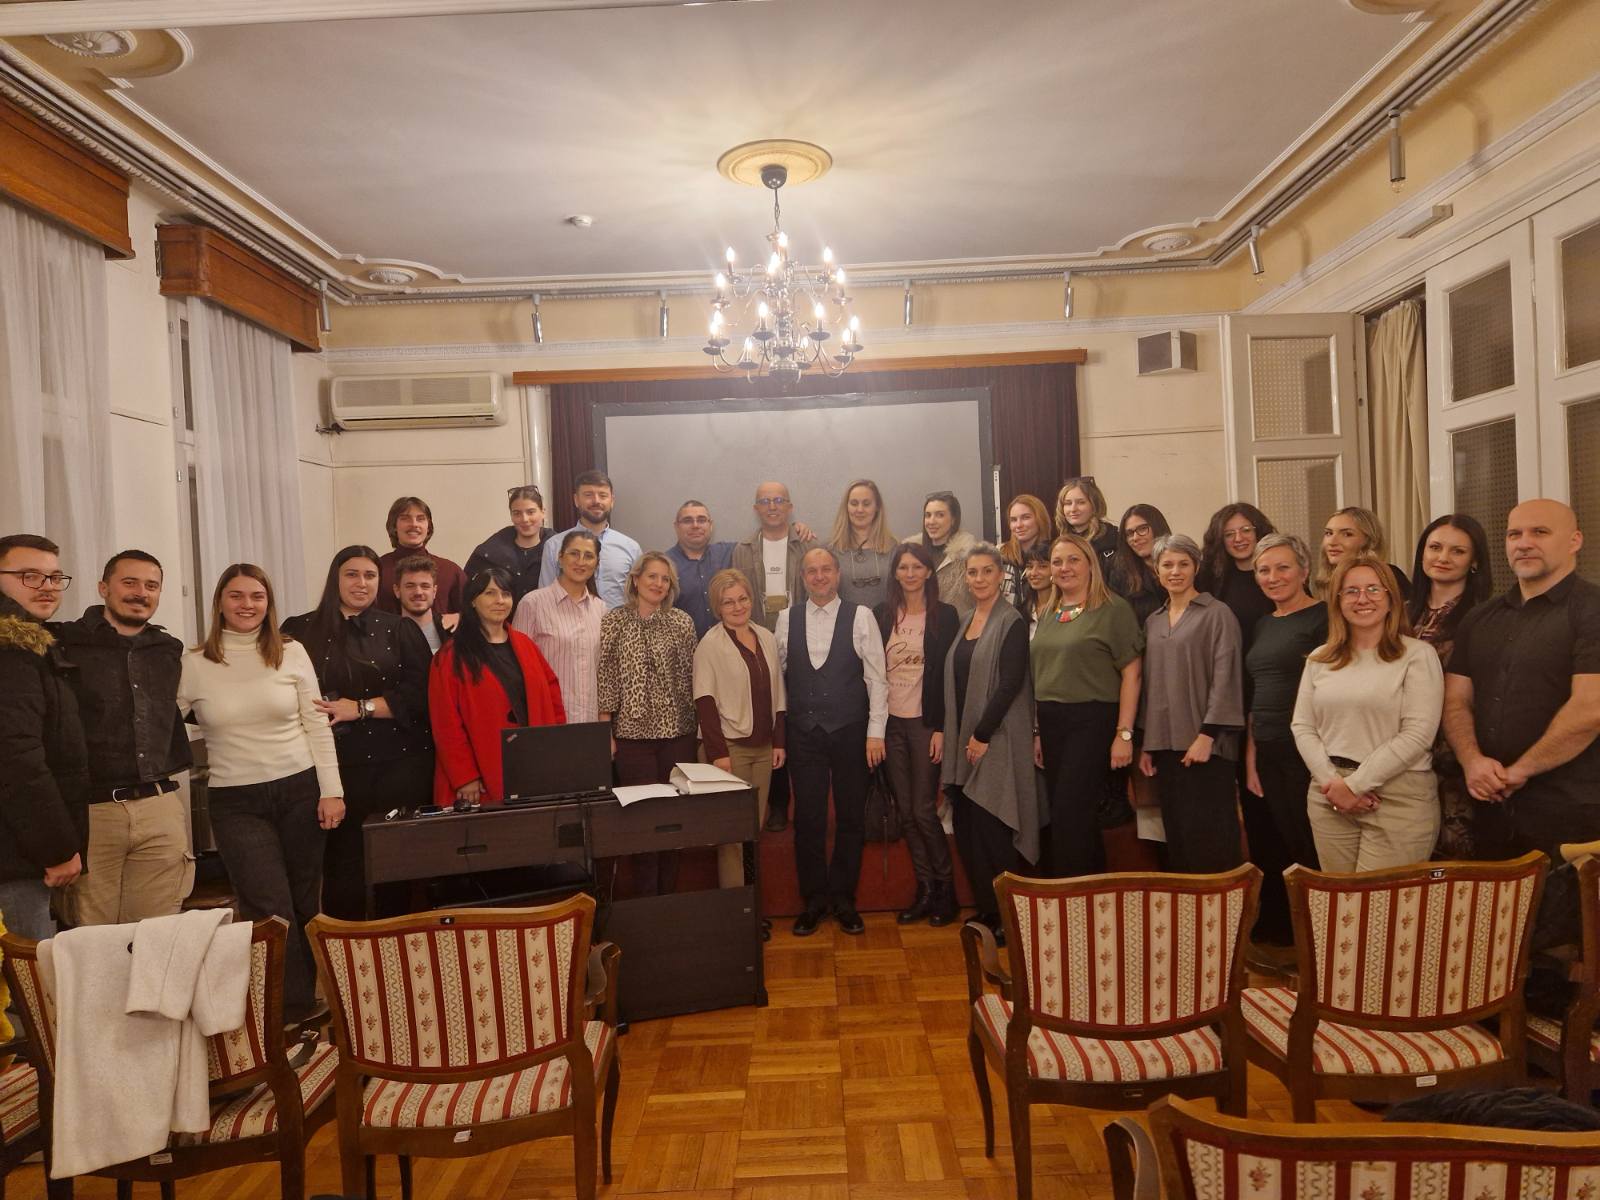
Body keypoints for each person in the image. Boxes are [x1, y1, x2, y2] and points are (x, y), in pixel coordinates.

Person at [177, 564, 343, 1019]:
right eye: (236, 595)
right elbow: (161, 721)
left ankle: (307, 998)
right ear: (219, 602)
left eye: (257, 596)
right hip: (236, 800)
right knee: (267, 904)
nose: (246, 605)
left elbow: (317, 723)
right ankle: (285, 1008)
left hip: (300, 790)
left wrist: (332, 790)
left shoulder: (291, 652)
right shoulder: (193, 663)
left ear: (268, 604)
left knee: (304, 901)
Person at [1443, 499, 1600, 862]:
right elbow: (1455, 700)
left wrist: (1520, 771)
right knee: (1495, 902)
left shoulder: (1592, 610)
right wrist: (1472, 761)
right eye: (1514, 534)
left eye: (1540, 532)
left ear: (1575, 541)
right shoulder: (1479, 618)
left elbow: (1590, 709)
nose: (1524, 543)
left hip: (1572, 810)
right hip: (1489, 806)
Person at [282, 545, 433, 920]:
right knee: (340, 867)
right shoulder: (298, 630)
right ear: (335, 578)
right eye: (352, 574)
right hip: (329, 769)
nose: (361, 583)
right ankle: (344, 951)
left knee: (396, 866)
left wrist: (361, 708)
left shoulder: (400, 629)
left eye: (370, 575)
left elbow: (421, 695)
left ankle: (396, 948)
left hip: (398, 766)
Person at [53, 550, 193, 926]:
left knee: (157, 935)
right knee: (90, 937)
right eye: (129, 582)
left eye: (151, 585)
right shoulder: (63, 642)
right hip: (93, 812)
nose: (140, 593)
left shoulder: (168, 649)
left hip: (160, 807)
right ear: (104, 588)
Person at [1291, 556, 1443, 872]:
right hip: (1328, 795)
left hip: (1398, 796)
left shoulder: (1417, 656)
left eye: (1374, 589)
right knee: (1339, 901)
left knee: (1379, 903)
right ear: (1337, 601)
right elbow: (1302, 726)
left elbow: (1418, 735)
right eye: (1351, 591)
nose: (1363, 599)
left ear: (1391, 598)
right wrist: (1333, 784)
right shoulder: (1319, 659)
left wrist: (1355, 786)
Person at [777, 547, 888, 937]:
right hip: (803, 734)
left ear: (838, 574)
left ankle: (843, 899)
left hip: (850, 732)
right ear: (803, 577)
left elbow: (877, 678)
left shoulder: (861, 616)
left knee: (850, 817)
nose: (819, 576)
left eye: (826, 569)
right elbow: (779, 679)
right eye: (812, 571)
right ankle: (813, 900)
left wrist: (875, 732)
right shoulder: (786, 619)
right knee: (807, 818)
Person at [943, 545, 1044, 943]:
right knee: (968, 829)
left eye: (987, 571)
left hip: (995, 738)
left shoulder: (1011, 621)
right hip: (964, 740)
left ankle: (1009, 917)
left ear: (1001, 576)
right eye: (973, 572)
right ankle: (987, 910)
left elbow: (1010, 682)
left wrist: (982, 735)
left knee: (993, 828)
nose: (979, 579)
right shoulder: (965, 619)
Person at [1031, 533, 1143, 877]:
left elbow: (1133, 674)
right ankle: (1089, 893)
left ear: (1090, 565)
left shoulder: (1113, 609)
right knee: (1066, 813)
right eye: (1057, 562)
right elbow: (1042, 674)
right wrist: (1037, 732)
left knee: (1071, 810)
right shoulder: (1049, 612)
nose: (1064, 568)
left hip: (1091, 720)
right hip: (1051, 722)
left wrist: (1124, 734)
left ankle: (1072, 894)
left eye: (1073, 560)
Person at [1138, 534, 1246, 874]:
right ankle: (1188, 909)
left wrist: (1207, 734)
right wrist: (1147, 744)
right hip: (1165, 746)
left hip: (1207, 746)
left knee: (1211, 839)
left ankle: (1223, 907)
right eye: (1167, 565)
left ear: (1196, 567)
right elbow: (1150, 685)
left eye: (1183, 564)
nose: (1175, 571)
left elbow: (1226, 676)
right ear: (1156, 571)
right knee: (1179, 839)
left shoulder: (1217, 614)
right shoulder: (1153, 621)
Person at [0, 534, 88, 942]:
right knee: (28, 975)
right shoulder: (12, 651)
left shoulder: (31, 643)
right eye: (29, 576)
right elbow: (16, 759)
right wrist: (56, 848)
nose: (47, 586)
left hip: (19, 849)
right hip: (14, 855)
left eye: (54, 577)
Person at [597, 552, 699, 894]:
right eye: (652, 576)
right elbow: (607, 677)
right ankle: (646, 902)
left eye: (665, 579)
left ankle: (668, 899)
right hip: (632, 738)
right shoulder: (614, 621)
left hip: (678, 734)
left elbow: (692, 676)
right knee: (643, 820)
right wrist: (606, 730)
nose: (658, 584)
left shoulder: (681, 622)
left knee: (672, 820)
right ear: (636, 579)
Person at [1241, 534, 1325, 948]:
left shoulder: (1324, 618)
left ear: (1304, 570)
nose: (1272, 577)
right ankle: (1288, 937)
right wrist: (1251, 757)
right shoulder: (1263, 623)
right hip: (1267, 750)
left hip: (1307, 751)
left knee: (1308, 846)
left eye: (1282, 567)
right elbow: (1257, 693)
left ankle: (1321, 941)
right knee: (1277, 846)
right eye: (1263, 570)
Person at [874, 543, 960, 925]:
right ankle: (925, 890)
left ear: (928, 572)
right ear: (895, 573)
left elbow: (950, 677)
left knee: (924, 809)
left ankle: (946, 891)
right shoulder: (881, 615)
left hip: (926, 723)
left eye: (917, 567)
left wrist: (942, 728)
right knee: (906, 811)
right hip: (890, 724)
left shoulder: (946, 615)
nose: (910, 573)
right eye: (903, 567)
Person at [429, 567, 565, 808]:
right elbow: (445, 721)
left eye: (506, 593)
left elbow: (553, 697)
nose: (500, 600)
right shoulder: (451, 655)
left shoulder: (526, 644)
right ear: (473, 600)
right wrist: (464, 776)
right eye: (490, 593)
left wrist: (554, 748)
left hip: (532, 764)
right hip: (481, 773)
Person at [1406, 514, 1494, 859]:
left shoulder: (1486, 617)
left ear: (1474, 561)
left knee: (1455, 858)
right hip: (1402, 754)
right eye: (1435, 547)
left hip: (1455, 754)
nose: (1442, 557)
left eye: (1457, 551)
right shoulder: (1398, 613)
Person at [694, 569, 785, 889]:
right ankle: (736, 906)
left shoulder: (766, 637)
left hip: (764, 748)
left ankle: (751, 902)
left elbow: (778, 693)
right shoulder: (710, 644)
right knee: (732, 835)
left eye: (742, 599)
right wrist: (718, 754)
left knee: (753, 829)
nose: (737, 607)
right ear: (717, 607)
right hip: (729, 750)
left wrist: (779, 741)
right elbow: (704, 702)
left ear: (751, 599)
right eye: (728, 602)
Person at [512, 529, 605, 723]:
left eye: (588, 556)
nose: (580, 561)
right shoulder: (532, 604)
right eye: (574, 553)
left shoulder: (601, 608)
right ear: (560, 558)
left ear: (596, 564)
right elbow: (517, 669)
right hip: (549, 720)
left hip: (591, 721)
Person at [538, 470, 641, 609]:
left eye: (603, 495)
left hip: (620, 622)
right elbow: (545, 598)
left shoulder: (631, 548)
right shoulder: (554, 545)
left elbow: (640, 597)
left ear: (612, 501)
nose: (596, 501)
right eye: (588, 495)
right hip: (567, 621)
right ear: (576, 500)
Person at [732, 481, 812, 633]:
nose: (772, 507)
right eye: (764, 501)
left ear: (790, 507)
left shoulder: (808, 547)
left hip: (802, 632)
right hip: (757, 633)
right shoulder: (742, 551)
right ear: (756, 509)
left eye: (779, 500)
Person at [1197, 503, 1277, 650]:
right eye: (1229, 534)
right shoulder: (1209, 578)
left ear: (1259, 532)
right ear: (1220, 540)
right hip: (1229, 659)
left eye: (1246, 530)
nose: (1238, 538)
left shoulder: (1278, 575)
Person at [375, 495, 466, 620]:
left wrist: (458, 617)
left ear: (428, 527)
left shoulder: (450, 571)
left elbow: (472, 615)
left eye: (420, 519)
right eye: (405, 518)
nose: (414, 524)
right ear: (394, 526)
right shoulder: (377, 569)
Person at [466, 484, 552, 606]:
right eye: (517, 513)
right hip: (502, 616)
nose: (524, 519)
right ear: (511, 516)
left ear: (543, 512)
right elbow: (469, 592)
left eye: (530, 512)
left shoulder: (559, 548)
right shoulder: (489, 552)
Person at [665, 500, 735, 638]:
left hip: (726, 645)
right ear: (676, 526)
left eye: (701, 520)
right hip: (683, 648)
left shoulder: (730, 553)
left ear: (711, 525)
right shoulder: (664, 564)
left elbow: (759, 546)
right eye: (687, 521)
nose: (695, 525)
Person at [1315, 505, 1411, 597]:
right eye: (1329, 533)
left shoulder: (1388, 576)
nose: (1332, 542)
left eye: (1347, 534)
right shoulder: (1324, 583)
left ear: (1369, 541)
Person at [830, 479, 898, 609]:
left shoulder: (894, 548)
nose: (860, 509)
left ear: (877, 507)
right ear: (846, 507)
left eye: (866, 504)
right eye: (854, 503)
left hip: (885, 620)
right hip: (843, 621)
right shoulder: (830, 550)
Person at [1108, 503, 1172, 627]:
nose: (1135, 538)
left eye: (1142, 529)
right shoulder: (1121, 575)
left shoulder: (1182, 565)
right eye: (1129, 533)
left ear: (1158, 528)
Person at [923, 491, 979, 617]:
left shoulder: (969, 555)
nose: (931, 521)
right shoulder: (915, 556)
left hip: (960, 626)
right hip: (922, 626)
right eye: (928, 515)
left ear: (953, 519)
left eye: (940, 515)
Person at [999, 494, 1051, 613]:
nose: (1019, 525)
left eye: (1026, 518)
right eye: (1013, 520)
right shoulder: (997, 555)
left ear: (1040, 519)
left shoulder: (1054, 553)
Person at [393, 554, 451, 652]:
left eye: (425, 586)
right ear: (397, 590)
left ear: (434, 591)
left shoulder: (452, 631)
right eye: (410, 586)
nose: (418, 592)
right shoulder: (385, 634)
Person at [1055, 476, 1118, 566]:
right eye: (1068, 503)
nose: (1073, 509)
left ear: (1094, 505)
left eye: (1081, 502)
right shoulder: (1059, 541)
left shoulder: (1112, 540)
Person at [1019, 543, 1053, 636]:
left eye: (1042, 566)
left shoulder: (1066, 608)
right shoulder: (1023, 610)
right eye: (1030, 567)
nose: (1033, 573)